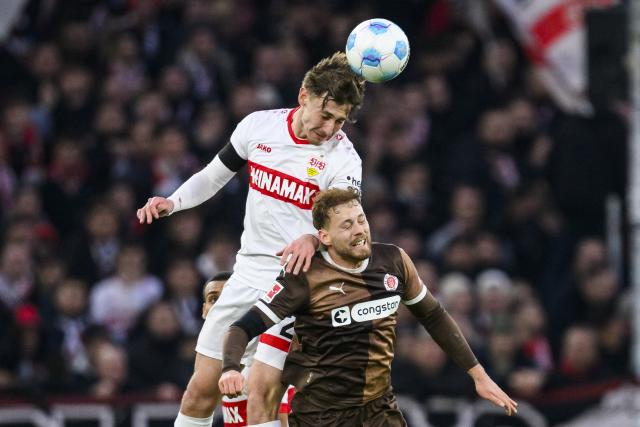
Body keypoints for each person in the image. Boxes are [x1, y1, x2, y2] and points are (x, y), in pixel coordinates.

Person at [136, 52, 365, 427]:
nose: (330, 129)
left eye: (339, 121)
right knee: (200, 390)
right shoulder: (259, 127)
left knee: (262, 394)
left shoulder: (343, 160)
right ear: (303, 95)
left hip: (298, 284)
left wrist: (312, 237)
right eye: (326, 116)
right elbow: (213, 176)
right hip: (247, 274)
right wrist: (173, 201)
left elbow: (347, 226)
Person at [219, 188, 517, 426]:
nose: (359, 230)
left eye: (361, 219)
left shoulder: (394, 261)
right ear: (324, 237)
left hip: (379, 408)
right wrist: (230, 368)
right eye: (346, 225)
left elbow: (433, 315)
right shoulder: (304, 276)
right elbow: (242, 327)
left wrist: (479, 375)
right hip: (322, 414)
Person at [202, 272, 291, 427]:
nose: (223, 307)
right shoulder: (209, 366)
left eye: (232, 299)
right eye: (214, 299)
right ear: (204, 310)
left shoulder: (272, 358)